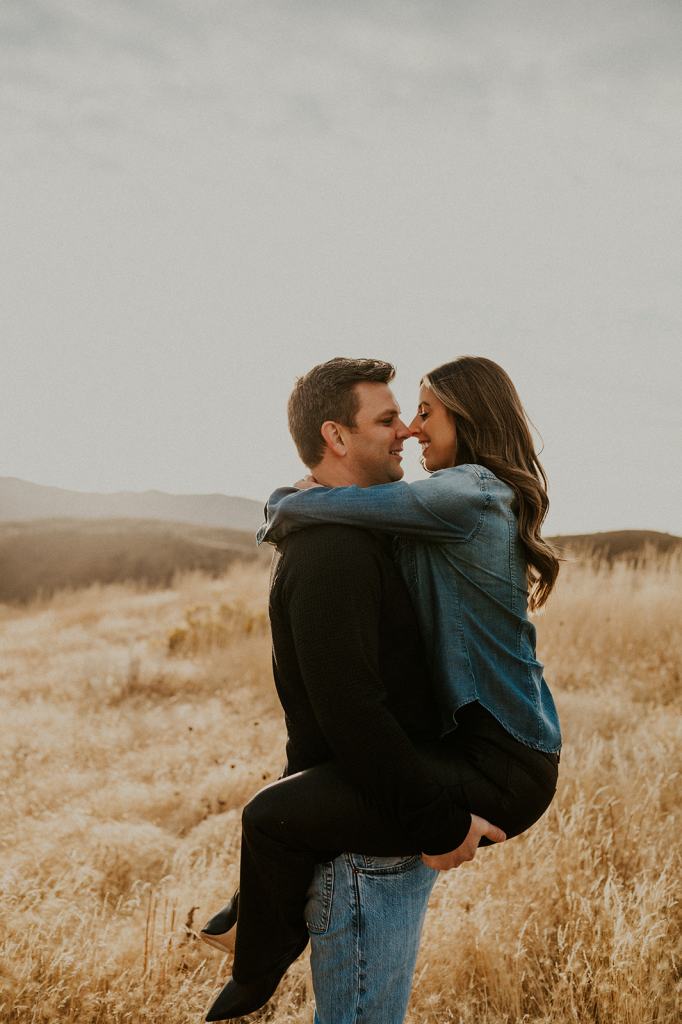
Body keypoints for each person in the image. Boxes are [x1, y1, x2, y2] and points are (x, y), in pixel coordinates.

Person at [203, 355, 561, 1021]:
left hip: (504, 754)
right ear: (339, 436)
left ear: (469, 417)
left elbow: (335, 505)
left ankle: (254, 957)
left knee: (270, 819)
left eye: (423, 413)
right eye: (396, 416)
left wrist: (287, 502)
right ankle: (251, 923)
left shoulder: (468, 494)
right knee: (278, 817)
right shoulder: (401, 524)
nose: (411, 430)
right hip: (470, 749)